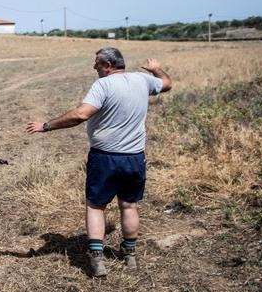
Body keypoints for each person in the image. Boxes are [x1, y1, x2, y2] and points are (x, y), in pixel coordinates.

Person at [25, 47, 172, 277]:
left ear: (108, 65)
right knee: (129, 205)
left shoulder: (103, 85)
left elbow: (81, 115)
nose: (94, 67)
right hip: (134, 157)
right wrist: (155, 69)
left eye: (97, 64)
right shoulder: (143, 80)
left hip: (105, 158)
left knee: (95, 206)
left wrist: (46, 126)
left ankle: (97, 260)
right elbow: (166, 83)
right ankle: (129, 255)